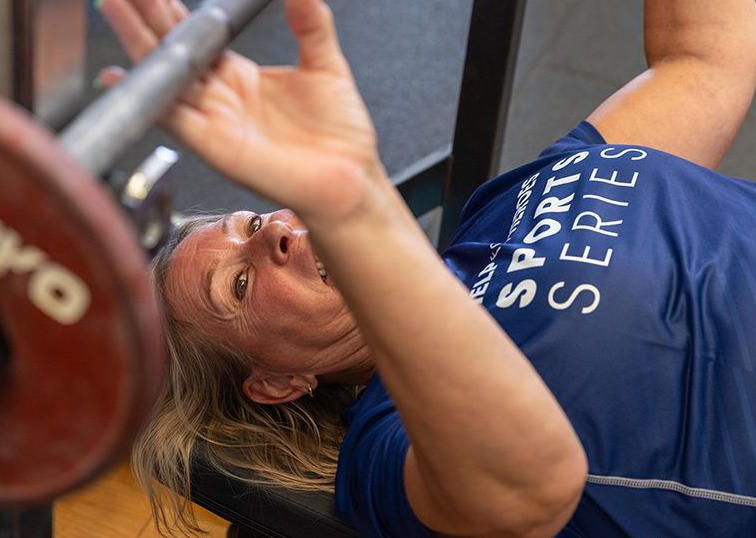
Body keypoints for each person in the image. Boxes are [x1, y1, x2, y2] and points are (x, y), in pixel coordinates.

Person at [97, 0, 756, 536]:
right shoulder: (394, 454)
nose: (270, 233)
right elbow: (534, 489)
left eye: (248, 223)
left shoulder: (502, 211)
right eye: (237, 284)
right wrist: (353, 199)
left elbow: (703, 60)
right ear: (277, 382)